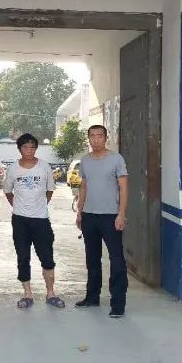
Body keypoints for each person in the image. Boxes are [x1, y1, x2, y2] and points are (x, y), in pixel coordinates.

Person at [4, 133, 65, 309]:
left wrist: (42, 205)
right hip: (20, 220)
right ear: (19, 149)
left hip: (41, 220)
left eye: (32, 147)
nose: (29, 150)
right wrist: (17, 206)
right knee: (23, 257)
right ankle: (27, 294)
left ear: (36, 149)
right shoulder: (13, 168)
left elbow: (50, 189)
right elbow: (8, 191)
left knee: (47, 257)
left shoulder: (44, 167)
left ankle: (50, 293)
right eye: (25, 147)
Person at [75, 125, 129, 318]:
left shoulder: (116, 159)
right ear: (88, 138)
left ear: (105, 138)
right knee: (92, 258)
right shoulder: (85, 161)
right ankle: (92, 297)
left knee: (116, 259)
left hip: (110, 216)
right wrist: (79, 212)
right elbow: (84, 187)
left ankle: (118, 303)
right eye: (92, 136)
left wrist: (121, 214)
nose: (96, 139)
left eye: (99, 136)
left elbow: (124, 188)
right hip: (89, 215)